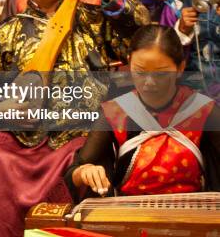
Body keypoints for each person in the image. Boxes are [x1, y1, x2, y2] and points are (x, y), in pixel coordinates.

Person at [0, 0, 150, 237]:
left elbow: (142, 32)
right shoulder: (7, 32)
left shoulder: (92, 21)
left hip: (79, 140)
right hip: (19, 144)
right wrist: (5, 106)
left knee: (87, 167)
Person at [65, 25, 220, 200]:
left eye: (160, 74)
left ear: (180, 68)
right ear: (129, 61)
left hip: (190, 216)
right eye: (139, 71)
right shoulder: (116, 112)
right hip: (130, 217)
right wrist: (84, 172)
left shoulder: (202, 111)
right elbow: (74, 172)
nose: (149, 82)